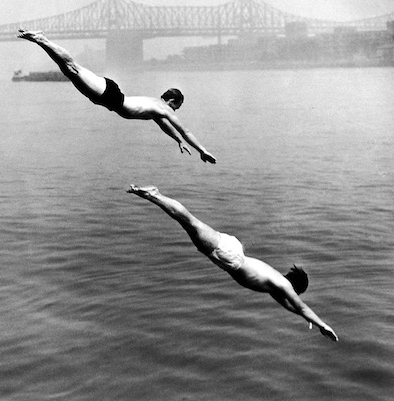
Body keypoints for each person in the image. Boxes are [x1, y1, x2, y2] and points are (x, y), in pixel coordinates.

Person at [127, 184, 338, 341]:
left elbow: (291, 307)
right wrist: (323, 325)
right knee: (189, 221)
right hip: (229, 255)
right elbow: (301, 307)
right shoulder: (282, 286)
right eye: (297, 294)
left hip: (231, 253)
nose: (294, 297)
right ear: (295, 288)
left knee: (189, 224)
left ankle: (154, 196)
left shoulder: (276, 285)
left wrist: (308, 319)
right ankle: (154, 194)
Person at [17, 29, 216, 163]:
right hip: (112, 97)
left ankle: (41, 41)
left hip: (107, 98)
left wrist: (177, 141)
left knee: (69, 71)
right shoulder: (163, 108)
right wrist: (202, 150)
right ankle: (41, 39)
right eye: (176, 108)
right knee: (72, 68)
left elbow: (167, 126)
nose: (174, 112)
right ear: (172, 101)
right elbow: (186, 131)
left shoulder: (157, 110)